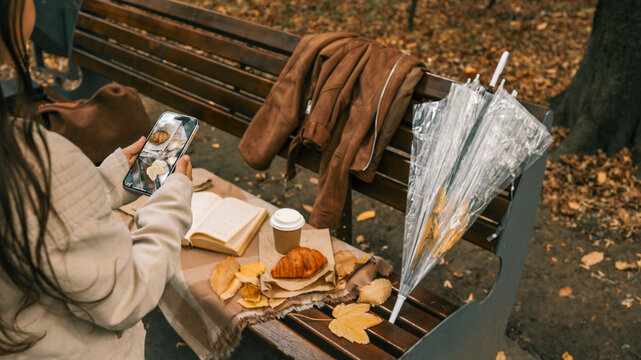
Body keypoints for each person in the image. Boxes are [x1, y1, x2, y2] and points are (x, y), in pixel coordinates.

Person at [0, 0, 194, 358]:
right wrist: (171, 203)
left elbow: (35, 219)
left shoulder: (29, 166)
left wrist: (109, 179)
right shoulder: (34, 158)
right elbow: (124, 296)